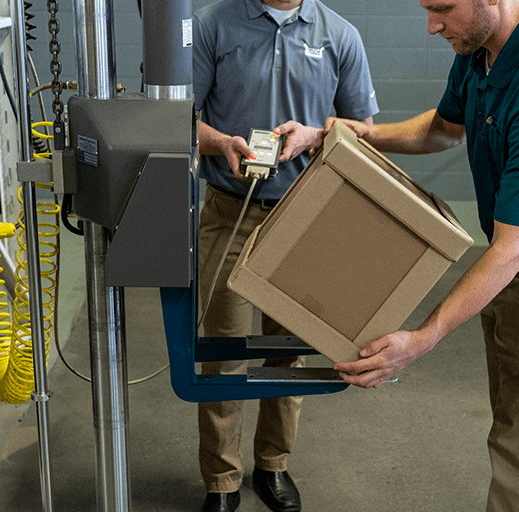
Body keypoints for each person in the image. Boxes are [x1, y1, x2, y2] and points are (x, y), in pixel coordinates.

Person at [328, 0, 519, 511]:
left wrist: (422, 338)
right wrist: (362, 133)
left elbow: (511, 250)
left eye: (443, 8)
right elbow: (443, 129)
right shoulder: (479, 47)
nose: (431, 25)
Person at [191, 0, 378, 511]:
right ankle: (222, 479)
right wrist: (218, 143)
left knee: (287, 349)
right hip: (229, 210)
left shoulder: (339, 36)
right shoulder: (213, 25)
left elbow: (362, 130)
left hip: (304, 216)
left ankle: (273, 464)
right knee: (223, 350)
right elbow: (182, 117)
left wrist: (318, 136)